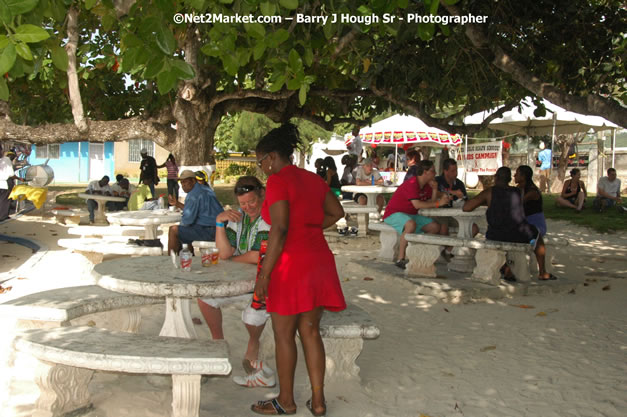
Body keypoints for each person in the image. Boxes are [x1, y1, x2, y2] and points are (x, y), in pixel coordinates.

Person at [250, 123, 346, 416]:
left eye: (260, 161)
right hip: (318, 261)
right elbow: (337, 213)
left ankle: (287, 401)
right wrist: (308, 230)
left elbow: (278, 228)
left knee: (284, 336)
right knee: (311, 331)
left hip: (290, 265)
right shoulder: (313, 179)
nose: (261, 168)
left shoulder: (279, 181)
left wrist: (264, 276)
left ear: (271, 157)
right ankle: (318, 402)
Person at [196, 176, 275, 388]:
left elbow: (258, 255)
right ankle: (218, 345)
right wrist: (220, 223)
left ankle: (253, 350)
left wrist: (233, 258)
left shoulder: (269, 218)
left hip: (267, 282)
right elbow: (223, 253)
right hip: (240, 281)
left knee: (251, 316)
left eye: (252, 202)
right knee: (205, 297)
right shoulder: (236, 218)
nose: (247, 207)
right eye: (242, 203)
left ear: (262, 195)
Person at [463, 166, 556, 281]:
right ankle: (542, 272)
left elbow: (466, 207)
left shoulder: (490, 192)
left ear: (496, 178)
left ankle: (507, 269)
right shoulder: (518, 192)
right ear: (509, 179)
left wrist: (486, 202)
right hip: (519, 233)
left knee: (499, 236)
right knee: (537, 237)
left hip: (496, 233)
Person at [383, 160, 450, 269]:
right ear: (425, 172)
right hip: (393, 213)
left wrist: (434, 190)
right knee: (411, 224)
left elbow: (430, 202)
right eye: (433, 171)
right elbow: (417, 205)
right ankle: (401, 258)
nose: (435, 173)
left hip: (410, 214)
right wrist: (438, 203)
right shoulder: (412, 183)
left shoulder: (427, 186)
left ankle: (420, 253)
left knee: (435, 227)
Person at [167, 170, 223, 255]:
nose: (183, 185)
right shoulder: (206, 189)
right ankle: (190, 256)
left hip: (210, 231)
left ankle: (170, 260)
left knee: (174, 230)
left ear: (193, 181)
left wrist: (182, 225)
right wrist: (177, 204)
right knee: (186, 228)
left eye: (185, 182)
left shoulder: (193, 195)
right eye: (181, 183)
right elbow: (195, 210)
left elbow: (187, 220)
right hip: (220, 229)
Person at [434, 158, 479, 236]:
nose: (456, 173)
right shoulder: (437, 181)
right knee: (444, 228)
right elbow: (434, 193)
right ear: (445, 171)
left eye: (456, 170)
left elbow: (466, 201)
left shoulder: (459, 184)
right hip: (440, 214)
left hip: (456, 215)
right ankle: (449, 247)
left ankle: (455, 248)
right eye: (453, 171)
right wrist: (451, 192)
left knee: (474, 229)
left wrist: (463, 198)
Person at [514, 165, 547, 236]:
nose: (514, 176)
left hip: (535, 226)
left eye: (517, 174)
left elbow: (516, 204)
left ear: (523, 177)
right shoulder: (519, 188)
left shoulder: (532, 192)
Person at [0, 148, 23, 221]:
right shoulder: (6, 159)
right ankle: (3, 217)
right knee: (5, 200)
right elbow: (11, 174)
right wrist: (19, 178)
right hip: (4, 183)